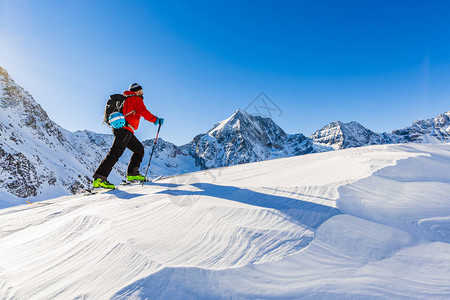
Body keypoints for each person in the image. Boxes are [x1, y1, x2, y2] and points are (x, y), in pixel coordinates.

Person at [93, 83, 164, 189]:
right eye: (141, 91)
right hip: (124, 130)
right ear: (137, 91)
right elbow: (143, 111)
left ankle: (132, 174)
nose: (142, 93)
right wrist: (155, 120)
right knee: (115, 153)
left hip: (125, 129)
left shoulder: (126, 99)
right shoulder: (136, 99)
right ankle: (100, 178)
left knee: (139, 149)